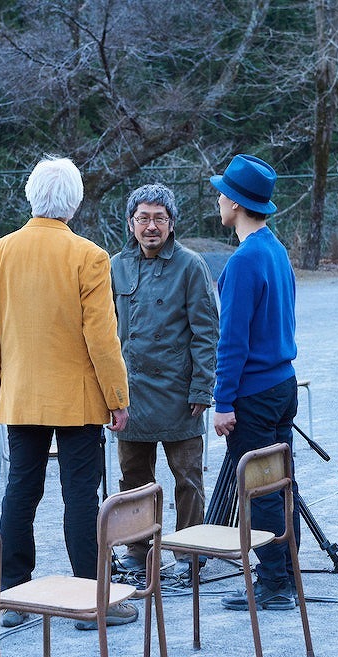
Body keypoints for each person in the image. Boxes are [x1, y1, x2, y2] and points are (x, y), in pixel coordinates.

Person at [0, 156, 135, 631]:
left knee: (21, 490)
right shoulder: (90, 256)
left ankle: (14, 594)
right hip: (78, 398)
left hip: (20, 396)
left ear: (30, 195)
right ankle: (90, 598)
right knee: (81, 495)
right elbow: (102, 336)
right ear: (75, 202)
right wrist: (117, 397)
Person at [110, 183, 219, 578]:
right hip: (132, 393)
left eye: (159, 218)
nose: (151, 226)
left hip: (179, 391)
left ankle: (191, 553)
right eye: (144, 218)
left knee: (187, 476)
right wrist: (111, 392)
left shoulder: (191, 265)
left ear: (172, 224)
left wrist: (202, 388)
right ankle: (138, 550)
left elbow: (207, 332)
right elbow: (107, 332)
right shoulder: (116, 265)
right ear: (130, 223)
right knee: (134, 479)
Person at [209, 154, 302, 611]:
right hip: (283, 384)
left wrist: (222, 400)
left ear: (236, 203)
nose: (218, 198)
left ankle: (274, 584)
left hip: (255, 391)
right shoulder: (275, 249)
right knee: (281, 482)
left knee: (259, 488)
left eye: (223, 192)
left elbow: (232, 341)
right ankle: (287, 572)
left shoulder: (246, 259)